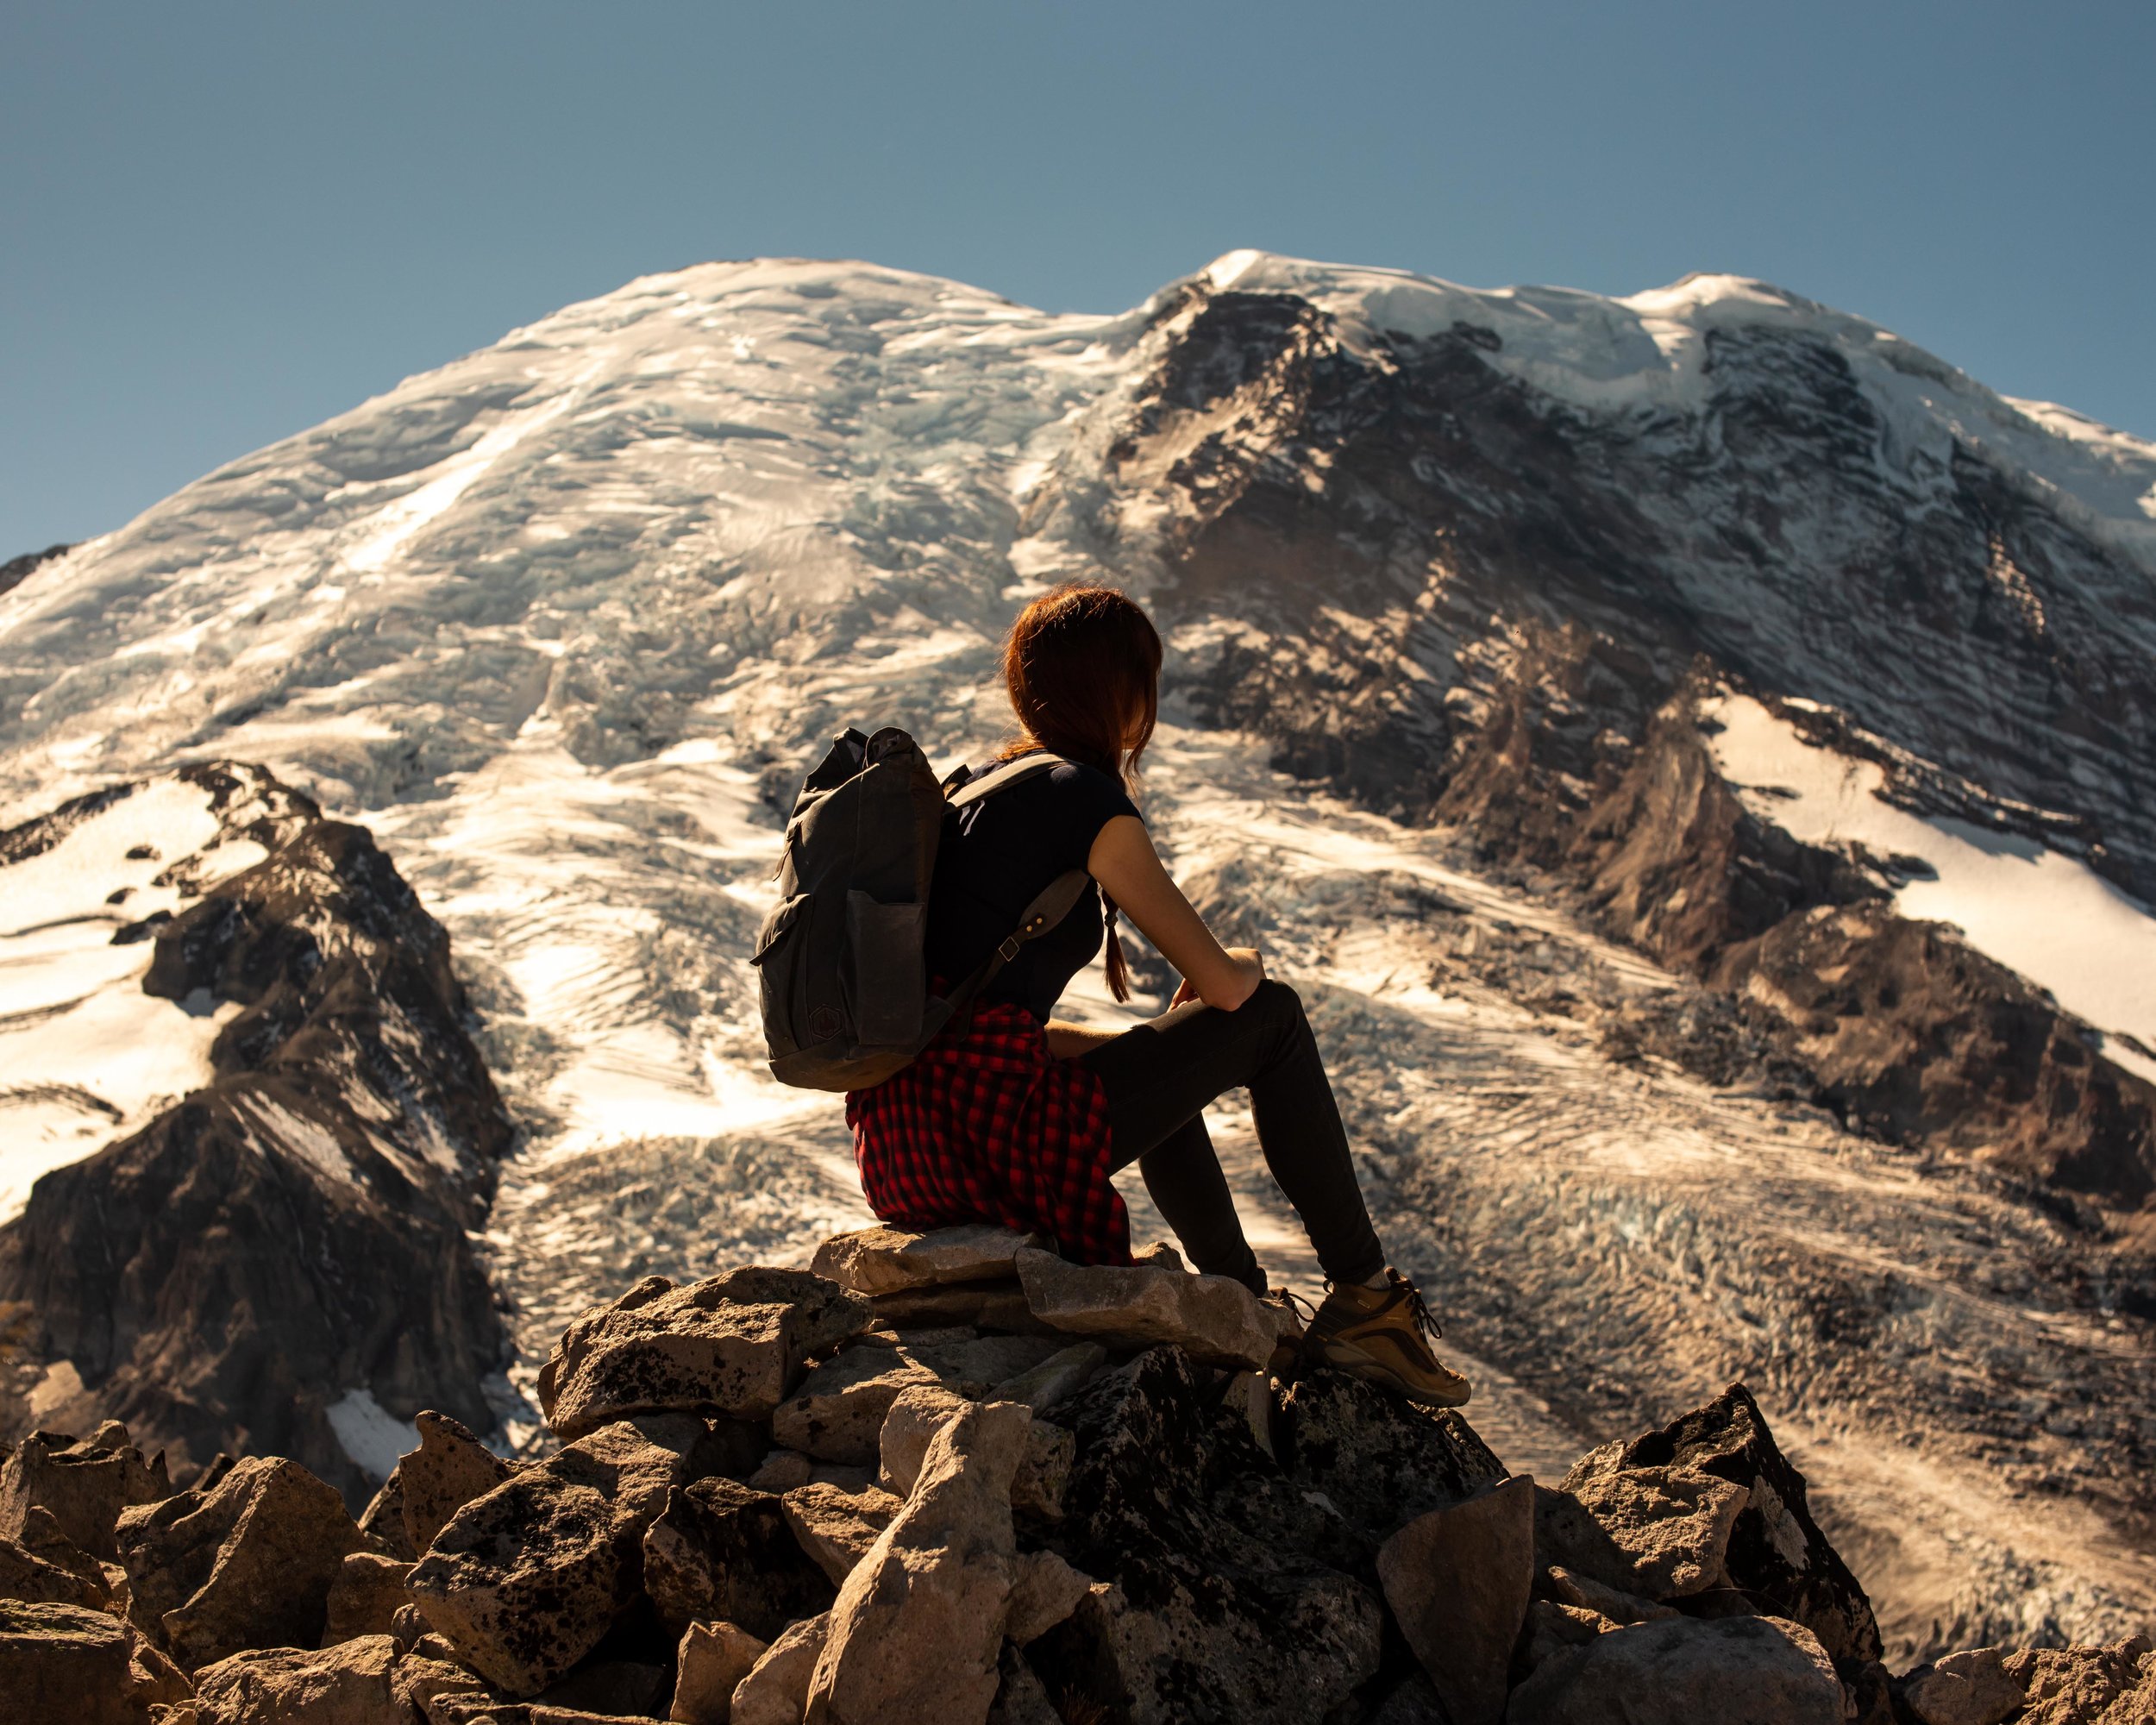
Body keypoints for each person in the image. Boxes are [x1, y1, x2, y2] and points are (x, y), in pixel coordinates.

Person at [844, 583, 1470, 1408]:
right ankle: (1365, 1301)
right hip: (985, 1134)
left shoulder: (975, 795)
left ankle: (1241, 1300)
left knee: (1153, 1058)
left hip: (900, 1149)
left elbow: (974, 1025)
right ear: (1121, 696)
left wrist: (1157, 1039)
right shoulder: (1079, 796)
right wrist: (1239, 962)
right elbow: (1223, 983)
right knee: (1273, 1016)